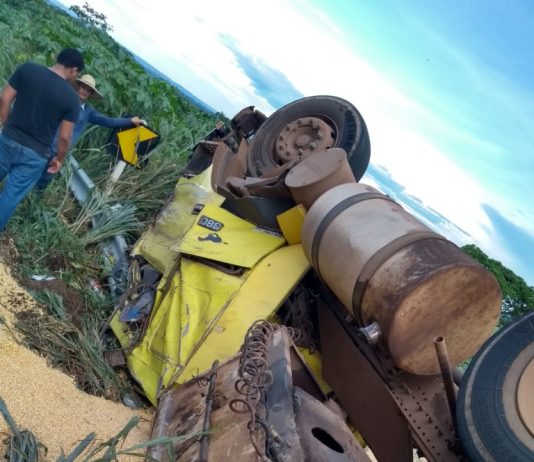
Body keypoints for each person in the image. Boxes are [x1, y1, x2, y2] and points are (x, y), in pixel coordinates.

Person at [0, 48, 84, 231]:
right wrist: (59, 159)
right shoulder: (72, 99)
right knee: (10, 197)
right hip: (35, 154)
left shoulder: (28, 69)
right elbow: (65, 137)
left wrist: (7, 127)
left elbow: (4, 98)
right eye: (77, 74)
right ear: (73, 70)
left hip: (8, 140)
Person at [35, 74, 143, 191]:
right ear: (78, 86)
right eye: (83, 87)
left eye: (88, 90)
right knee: (30, 174)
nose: (85, 91)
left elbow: (108, 121)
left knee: (42, 184)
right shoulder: (64, 100)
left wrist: (129, 121)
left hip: (59, 154)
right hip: (44, 146)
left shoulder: (88, 112)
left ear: (91, 94)